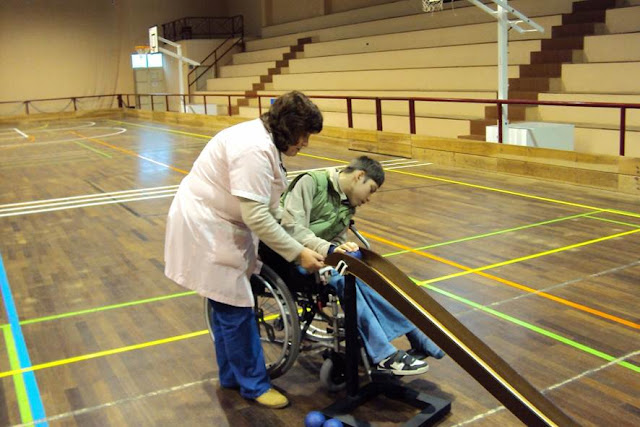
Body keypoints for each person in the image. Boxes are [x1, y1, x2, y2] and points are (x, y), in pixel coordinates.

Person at [164, 91, 325, 409]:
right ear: (289, 128)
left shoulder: (264, 141)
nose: (305, 143)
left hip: (221, 222)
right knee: (235, 307)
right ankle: (254, 385)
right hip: (208, 227)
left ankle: (231, 376)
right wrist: (298, 253)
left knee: (225, 307)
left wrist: (304, 240)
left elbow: (271, 208)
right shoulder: (252, 148)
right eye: (304, 135)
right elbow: (258, 216)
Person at [277, 155, 445, 375]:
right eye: (371, 190)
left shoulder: (346, 203)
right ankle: (383, 353)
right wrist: (329, 250)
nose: (369, 198)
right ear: (359, 176)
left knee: (369, 272)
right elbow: (292, 228)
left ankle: (415, 334)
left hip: (325, 256)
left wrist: (342, 247)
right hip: (295, 257)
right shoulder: (311, 182)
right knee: (344, 279)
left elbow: (336, 239)